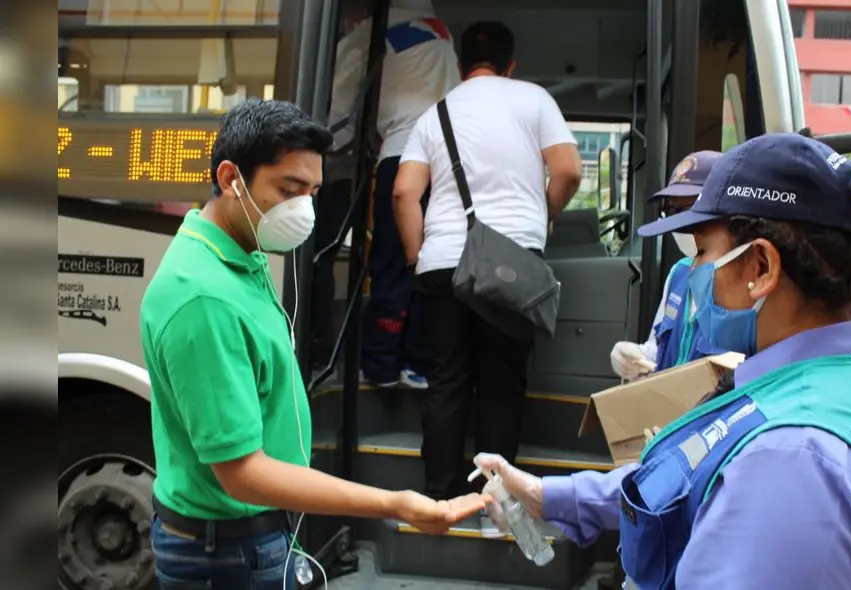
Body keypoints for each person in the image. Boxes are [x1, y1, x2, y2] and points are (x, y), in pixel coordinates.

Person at [475, 133, 851, 589]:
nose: (695, 273)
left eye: (704, 253)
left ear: (761, 269)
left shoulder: (788, 462)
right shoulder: (826, 377)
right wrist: (543, 496)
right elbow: (685, 478)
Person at [140, 99, 485, 590]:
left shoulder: (240, 255)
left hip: (250, 535)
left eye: (313, 192)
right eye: (289, 189)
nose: (303, 208)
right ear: (229, 177)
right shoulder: (202, 296)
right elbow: (242, 474)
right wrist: (394, 503)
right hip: (228, 554)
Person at [392, 21, 582, 500]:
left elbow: (404, 193)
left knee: (447, 381)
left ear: (459, 67)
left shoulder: (434, 114)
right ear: (510, 64)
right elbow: (568, 171)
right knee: (501, 383)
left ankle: (439, 497)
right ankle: (496, 501)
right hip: (511, 259)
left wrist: (418, 257)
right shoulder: (535, 99)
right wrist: (546, 213)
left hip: (441, 264)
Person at [329, 0, 461, 389]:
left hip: (403, 156)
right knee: (430, 262)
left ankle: (382, 364)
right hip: (447, 163)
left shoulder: (365, 37)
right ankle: (418, 362)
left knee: (390, 261)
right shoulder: (441, 30)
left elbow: (338, 122)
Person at [610, 150, 726, 381]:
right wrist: (635, 359)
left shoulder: (744, 283)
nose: (682, 225)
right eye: (674, 211)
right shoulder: (679, 274)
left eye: (691, 210)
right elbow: (658, 354)